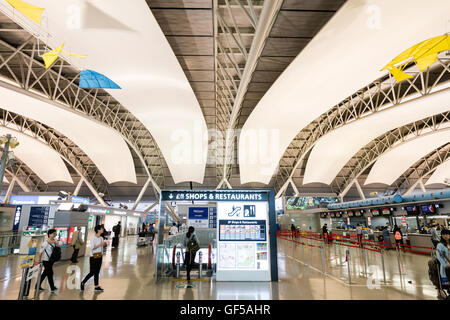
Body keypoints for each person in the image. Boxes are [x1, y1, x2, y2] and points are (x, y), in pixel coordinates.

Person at [81, 225, 107, 292]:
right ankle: (83, 282)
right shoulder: (93, 238)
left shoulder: (101, 238)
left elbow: (101, 247)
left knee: (97, 272)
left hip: (99, 256)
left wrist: (103, 245)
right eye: (102, 229)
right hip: (93, 257)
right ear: (98, 230)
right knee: (92, 272)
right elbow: (92, 247)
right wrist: (100, 245)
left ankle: (96, 286)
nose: (103, 230)